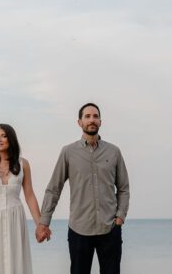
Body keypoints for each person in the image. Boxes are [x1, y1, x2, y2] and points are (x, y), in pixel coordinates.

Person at [37, 103, 130, 274]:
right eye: (87, 116)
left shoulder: (114, 152)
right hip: (79, 230)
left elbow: (124, 188)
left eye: (95, 116)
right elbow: (54, 189)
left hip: (109, 229)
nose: (91, 120)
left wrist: (120, 217)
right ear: (79, 122)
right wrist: (44, 222)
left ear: (100, 121)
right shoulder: (68, 152)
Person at [0, 123, 45, 274]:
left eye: (4, 136)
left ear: (11, 139)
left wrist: (40, 224)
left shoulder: (23, 164)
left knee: (16, 262)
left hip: (15, 219)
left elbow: (29, 195)